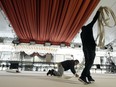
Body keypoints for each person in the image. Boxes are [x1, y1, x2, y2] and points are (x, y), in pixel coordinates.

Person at [78, 10, 100, 84]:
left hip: (85, 48)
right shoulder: (88, 27)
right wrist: (98, 12)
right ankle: (83, 76)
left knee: (88, 62)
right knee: (90, 62)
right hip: (90, 47)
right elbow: (94, 20)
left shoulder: (81, 34)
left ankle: (88, 76)